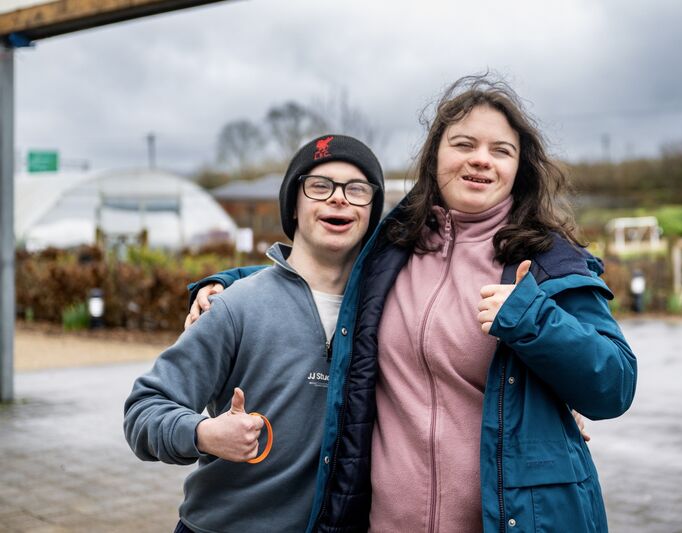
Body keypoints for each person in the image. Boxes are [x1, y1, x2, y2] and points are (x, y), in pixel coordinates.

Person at [188, 74, 637, 532]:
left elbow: (615, 385)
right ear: (435, 157)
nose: (481, 159)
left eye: (501, 150)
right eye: (464, 144)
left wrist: (535, 321)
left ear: (519, 168)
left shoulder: (550, 261)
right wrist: (221, 284)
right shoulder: (393, 248)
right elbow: (313, 269)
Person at [123, 134, 385, 533]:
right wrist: (202, 433)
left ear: (371, 211)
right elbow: (144, 409)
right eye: (319, 186)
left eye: (357, 189)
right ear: (293, 206)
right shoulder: (234, 306)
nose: (339, 199)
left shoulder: (384, 311)